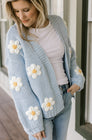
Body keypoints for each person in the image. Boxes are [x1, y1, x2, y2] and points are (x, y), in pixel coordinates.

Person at [5, 0, 85, 140]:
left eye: (25, 9)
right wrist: (33, 122)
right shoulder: (15, 34)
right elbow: (18, 83)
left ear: (38, 5)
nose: (21, 16)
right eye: (16, 11)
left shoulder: (58, 23)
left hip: (65, 95)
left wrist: (77, 79)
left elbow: (70, 55)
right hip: (38, 106)